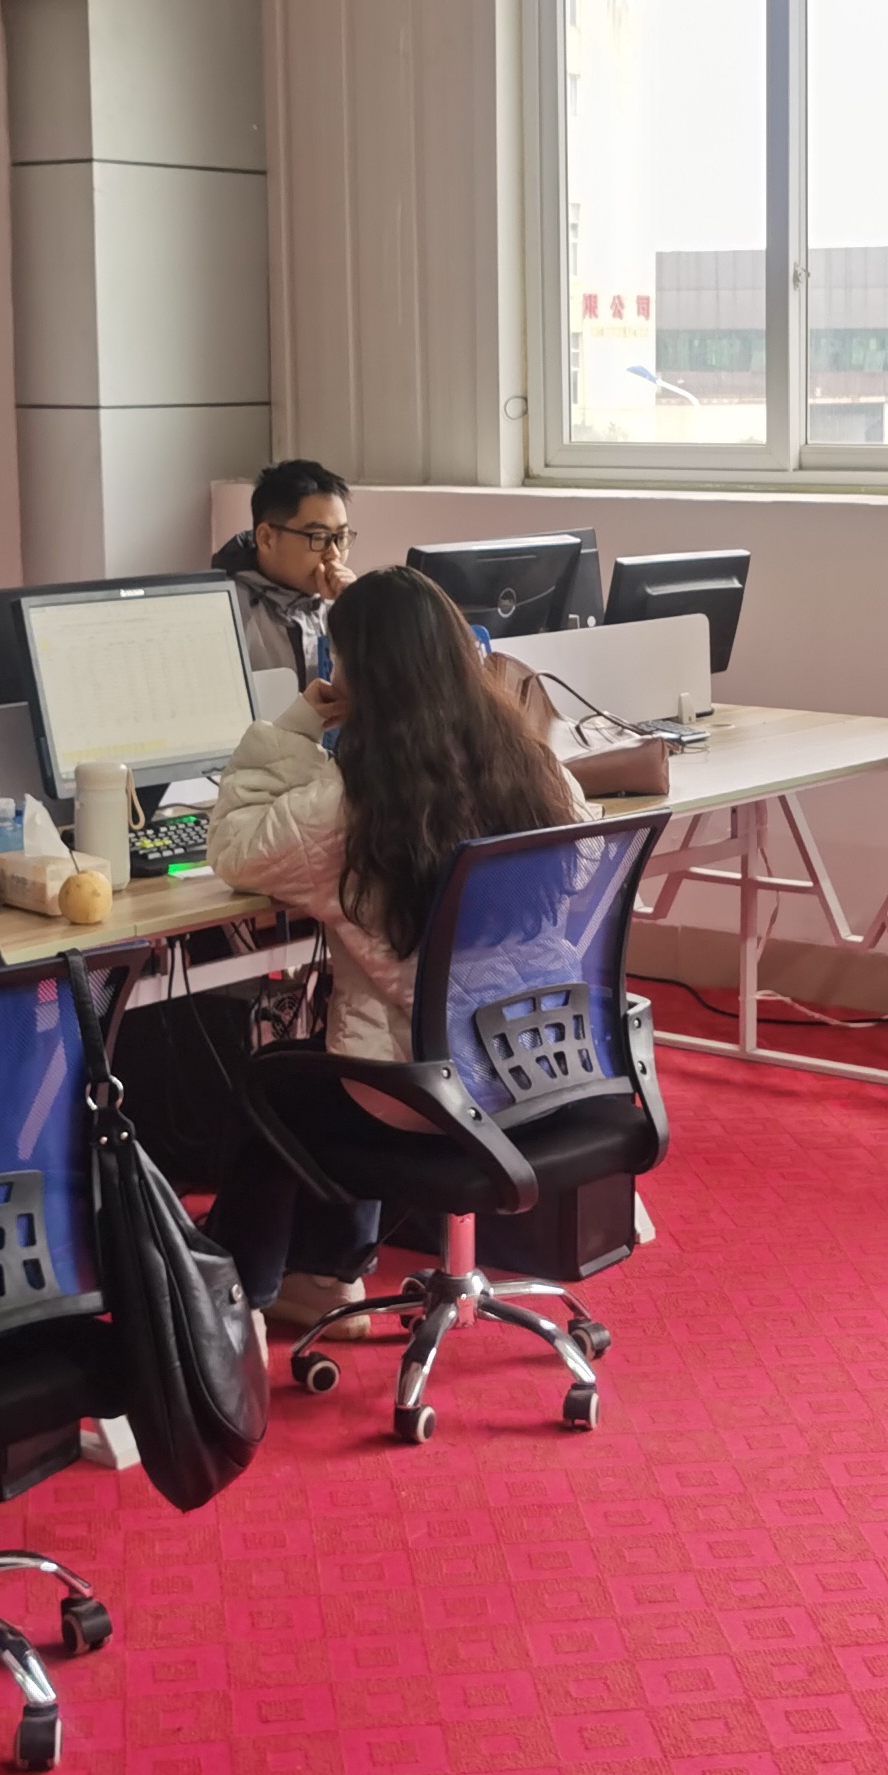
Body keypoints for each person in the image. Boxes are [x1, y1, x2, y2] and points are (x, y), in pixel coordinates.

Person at [202, 566, 589, 1337]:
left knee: (276, 1084)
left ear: (356, 673)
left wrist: (293, 729)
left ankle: (225, 1310)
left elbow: (234, 851)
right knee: (343, 1048)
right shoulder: (534, 768)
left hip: (435, 1091)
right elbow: (581, 864)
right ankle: (325, 1277)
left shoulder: (356, 802)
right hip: (544, 1059)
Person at [212, 458, 354, 684]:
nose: (334, 554)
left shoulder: (342, 599)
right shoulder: (224, 613)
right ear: (266, 539)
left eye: (341, 537)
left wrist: (357, 609)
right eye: (318, 537)